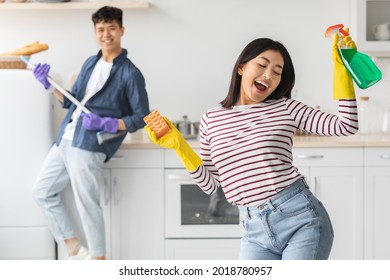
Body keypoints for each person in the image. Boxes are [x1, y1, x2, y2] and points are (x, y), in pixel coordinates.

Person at [145, 30, 358, 259]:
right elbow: (210, 184)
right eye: (262, 65)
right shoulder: (212, 118)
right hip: (253, 231)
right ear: (241, 67)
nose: (269, 76)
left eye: (277, 72)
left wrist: (343, 72)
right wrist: (179, 145)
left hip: (300, 219)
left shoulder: (285, 108)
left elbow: (346, 125)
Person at [31, 6, 150, 260]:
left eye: (112, 28)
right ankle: (73, 245)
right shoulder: (90, 62)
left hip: (89, 145)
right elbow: (70, 101)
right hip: (66, 138)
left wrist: (109, 124)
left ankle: (99, 261)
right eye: (101, 29)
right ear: (95, 32)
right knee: (41, 191)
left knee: (88, 207)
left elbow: (141, 118)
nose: (106, 34)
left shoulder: (131, 74)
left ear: (122, 30)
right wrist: (47, 83)